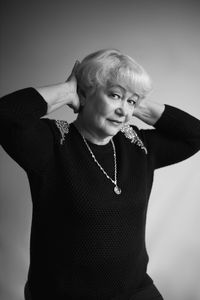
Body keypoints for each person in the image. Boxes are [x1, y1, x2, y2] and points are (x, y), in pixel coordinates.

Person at [0, 49, 200, 300]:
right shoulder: (52, 143)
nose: (124, 112)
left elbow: (195, 135)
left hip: (136, 291)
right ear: (85, 93)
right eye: (114, 95)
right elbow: (5, 116)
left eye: (132, 102)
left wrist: (132, 100)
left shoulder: (137, 145)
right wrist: (68, 91)